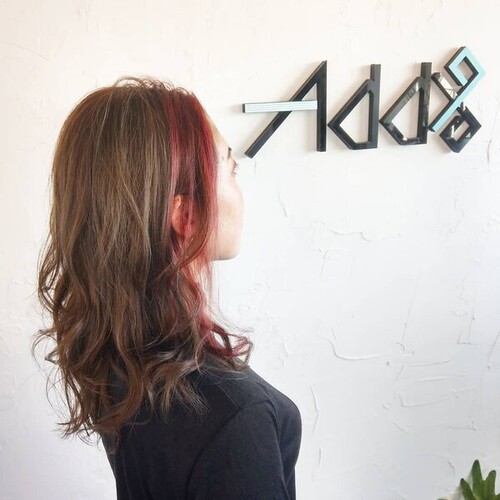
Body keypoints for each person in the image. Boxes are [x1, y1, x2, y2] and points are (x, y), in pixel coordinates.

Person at [33, 76, 302, 499]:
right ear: (186, 215)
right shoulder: (232, 417)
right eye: (231, 169)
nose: (240, 187)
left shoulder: (118, 348)